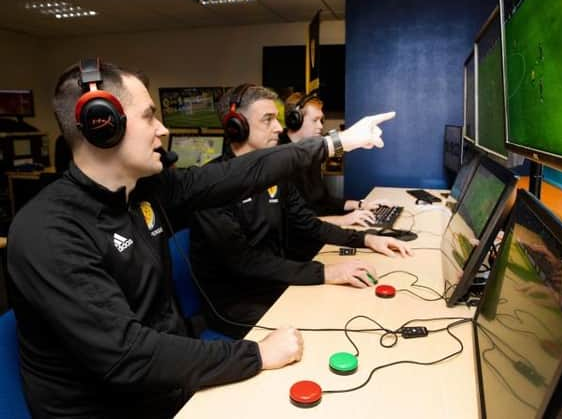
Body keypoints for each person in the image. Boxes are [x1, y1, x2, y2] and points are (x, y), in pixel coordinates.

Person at [6, 59, 395, 418]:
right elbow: (129, 356)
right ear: (102, 124)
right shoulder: (49, 231)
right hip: (113, 407)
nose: (163, 130)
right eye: (149, 117)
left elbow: (237, 174)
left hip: (165, 383)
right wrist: (256, 355)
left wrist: (333, 143)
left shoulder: (145, 190)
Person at [190, 84, 412, 339]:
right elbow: (246, 262)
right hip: (236, 305)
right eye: (268, 119)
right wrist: (325, 273)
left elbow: (309, 224)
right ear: (236, 125)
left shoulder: (274, 175)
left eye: (278, 119)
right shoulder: (211, 187)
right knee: (328, 328)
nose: (278, 128)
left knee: (352, 308)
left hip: (273, 284)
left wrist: (366, 239)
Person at [282, 91, 387, 228]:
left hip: (320, 228)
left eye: (321, 120)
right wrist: (344, 220)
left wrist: (360, 205)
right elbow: (294, 222)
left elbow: (324, 200)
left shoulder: (313, 152)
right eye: (315, 120)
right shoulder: (280, 159)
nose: (320, 126)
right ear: (295, 120)